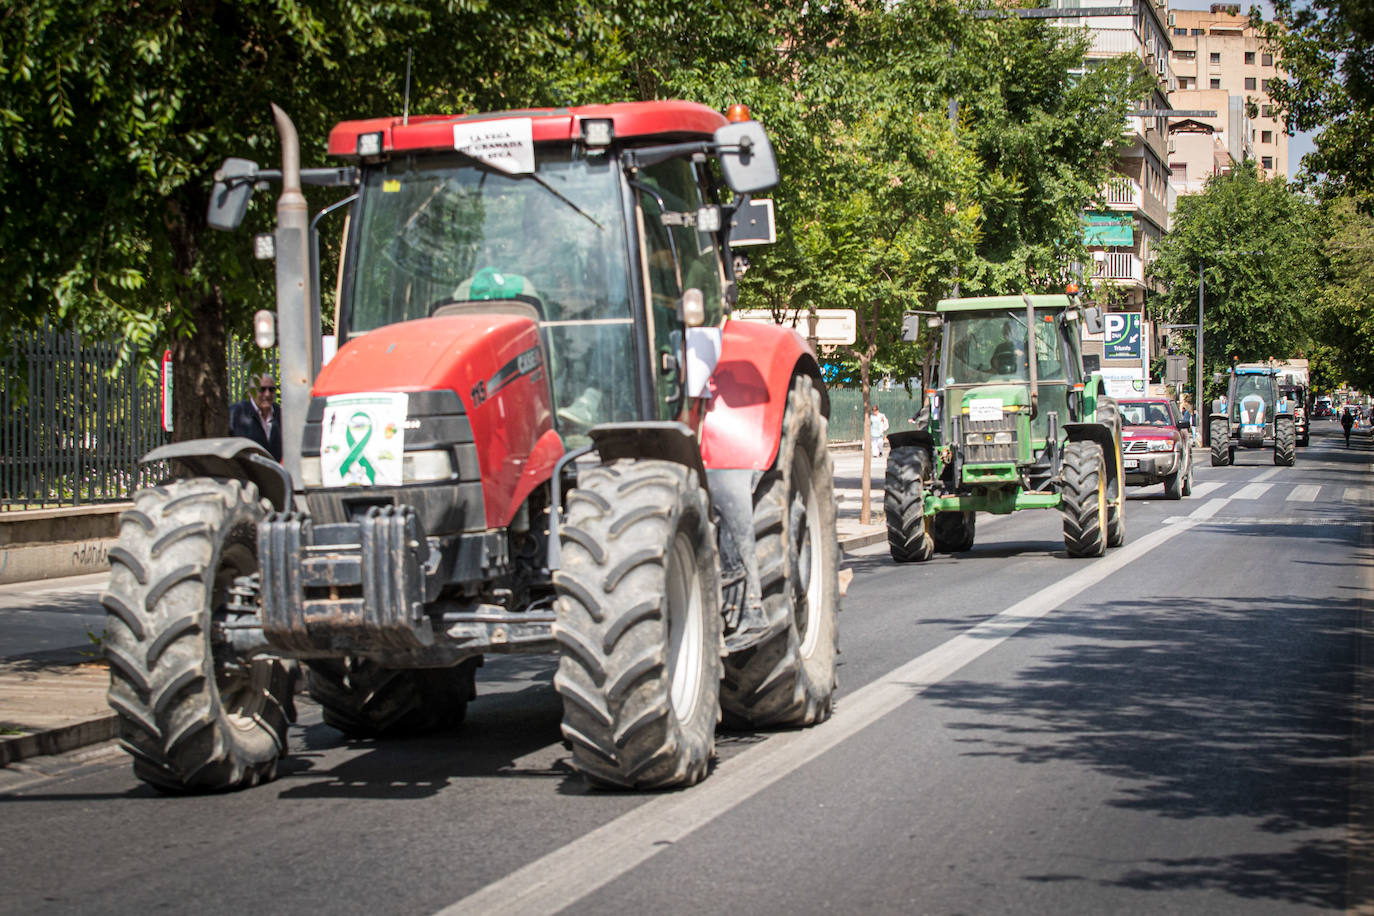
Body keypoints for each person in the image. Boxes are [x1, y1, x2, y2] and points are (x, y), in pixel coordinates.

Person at [230, 373, 283, 461]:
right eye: (262, 389)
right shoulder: (236, 414)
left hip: (276, 472)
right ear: (251, 392)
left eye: (271, 389)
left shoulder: (281, 415)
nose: (267, 394)